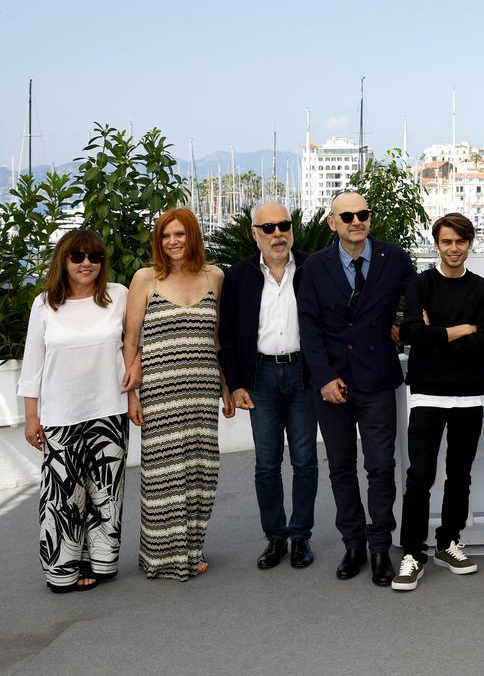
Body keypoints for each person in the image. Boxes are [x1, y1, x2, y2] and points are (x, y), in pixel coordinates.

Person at [297, 191, 416, 587]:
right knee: (342, 468)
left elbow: (416, 303)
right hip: (332, 385)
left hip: (378, 379)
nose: (356, 221)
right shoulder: (314, 267)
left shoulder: (394, 258)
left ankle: (380, 545)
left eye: (362, 213)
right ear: (333, 222)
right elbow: (309, 329)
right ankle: (353, 544)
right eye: (347, 215)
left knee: (381, 467)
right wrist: (325, 378)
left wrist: (403, 327)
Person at [392, 213, 484, 591]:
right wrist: (461, 330)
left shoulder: (482, 288)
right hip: (425, 392)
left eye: (460, 241)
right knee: (419, 476)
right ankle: (412, 552)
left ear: (470, 243)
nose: (453, 248)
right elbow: (411, 334)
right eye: (446, 242)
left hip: (469, 394)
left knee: (460, 476)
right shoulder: (421, 284)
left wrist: (436, 335)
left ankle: (448, 542)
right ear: (437, 244)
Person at [19, 230, 136, 592]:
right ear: (64, 261)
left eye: (95, 257)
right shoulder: (44, 305)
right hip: (60, 415)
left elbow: (136, 345)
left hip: (109, 411)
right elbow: (32, 365)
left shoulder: (118, 295)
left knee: (106, 493)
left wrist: (135, 390)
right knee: (63, 497)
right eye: (78, 257)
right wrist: (31, 417)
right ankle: (62, 570)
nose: (87, 263)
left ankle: (101, 562)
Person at [126, 207, 233, 581]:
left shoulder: (215, 276)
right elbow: (130, 340)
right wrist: (131, 395)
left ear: (193, 237)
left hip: (202, 387)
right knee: (162, 475)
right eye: (165, 236)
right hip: (159, 389)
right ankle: (160, 557)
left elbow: (216, 339)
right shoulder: (145, 279)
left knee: (202, 471)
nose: (172, 242)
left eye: (179, 234)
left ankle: (193, 549)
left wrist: (225, 387)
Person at [218, 203, 318, 570]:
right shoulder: (239, 277)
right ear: (254, 233)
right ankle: (275, 537)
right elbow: (226, 336)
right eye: (269, 227)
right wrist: (236, 383)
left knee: (305, 460)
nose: (278, 233)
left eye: (284, 225)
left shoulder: (312, 268)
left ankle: (301, 536)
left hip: (302, 375)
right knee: (266, 464)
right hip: (260, 379)